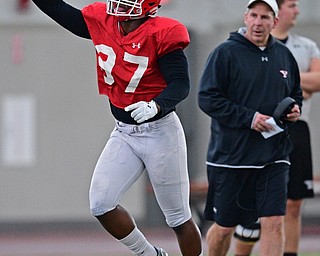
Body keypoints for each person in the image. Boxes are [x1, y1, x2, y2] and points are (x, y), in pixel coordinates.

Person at [30, 1, 203, 256]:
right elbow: (61, 11)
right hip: (124, 132)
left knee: (177, 217)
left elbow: (180, 84)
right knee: (101, 203)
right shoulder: (104, 21)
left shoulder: (163, 31)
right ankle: (150, 254)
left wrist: (157, 106)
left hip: (160, 132)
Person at [198, 0, 303, 255]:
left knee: (274, 223)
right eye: (254, 16)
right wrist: (249, 118)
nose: (258, 23)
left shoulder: (284, 55)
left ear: (275, 22)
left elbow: (295, 94)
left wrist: (293, 110)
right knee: (224, 227)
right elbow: (207, 98)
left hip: (274, 156)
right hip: (231, 158)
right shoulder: (225, 53)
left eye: (265, 17)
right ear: (246, 18)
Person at [233, 1, 320, 255]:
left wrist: (280, 76)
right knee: (251, 205)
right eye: (292, 5)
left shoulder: (306, 46)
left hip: (296, 129)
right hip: (259, 129)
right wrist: (292, 83)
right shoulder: (247, 43)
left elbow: (317, 81)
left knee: (294, 202)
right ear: (278, 11)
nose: (297, 10)